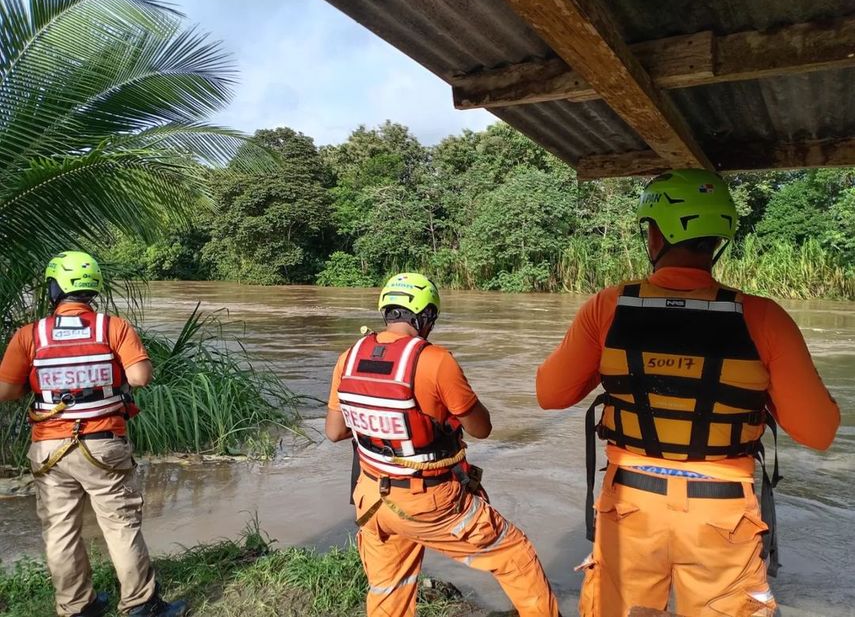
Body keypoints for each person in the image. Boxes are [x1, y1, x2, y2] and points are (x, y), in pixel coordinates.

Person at [536, 170, 840, 617]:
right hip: (722, 512)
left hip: (630, 505)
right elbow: (818, 432)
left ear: (655, 235)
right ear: (716, 240)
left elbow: (550, 394)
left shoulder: (607, 307)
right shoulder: (764, 318)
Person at [326, 273, 561, 617]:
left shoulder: (348, 358)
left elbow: (335, 431)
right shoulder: (436, 361)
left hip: (371, 500)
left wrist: (384, 428)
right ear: (426, 317)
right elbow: (481, 428)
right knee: (515, 554)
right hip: (428, 502)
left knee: (390, 588)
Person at [0, 252, 188, 617]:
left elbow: (6, 391)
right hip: (103, 444)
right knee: (120, 525)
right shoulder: (112, 327)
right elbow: (140, 378)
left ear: (55, 289)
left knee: (60, 529)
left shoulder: (30, 335)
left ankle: (76, 607)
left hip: (49, 448)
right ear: (93, 288)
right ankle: (140, 604)